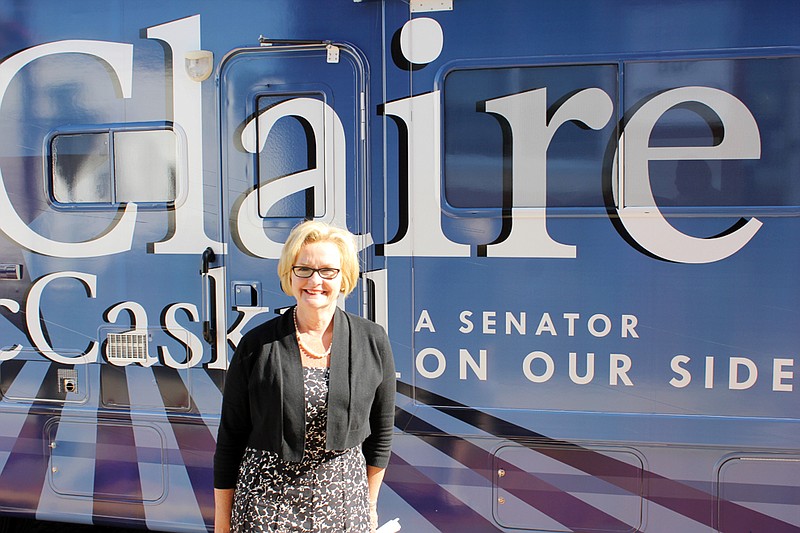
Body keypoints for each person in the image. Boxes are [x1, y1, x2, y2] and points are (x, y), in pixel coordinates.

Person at [213, 220, 396, 533]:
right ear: (290, 274)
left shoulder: (372, 340)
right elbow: (231, 437)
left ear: (344, 278)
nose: (315, 280)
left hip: (345, 507)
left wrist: (370, 506)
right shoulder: (256, 345)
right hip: (265, 508)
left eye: (328, 270)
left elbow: (381, 436)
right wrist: (222, 523)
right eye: (304, 269)